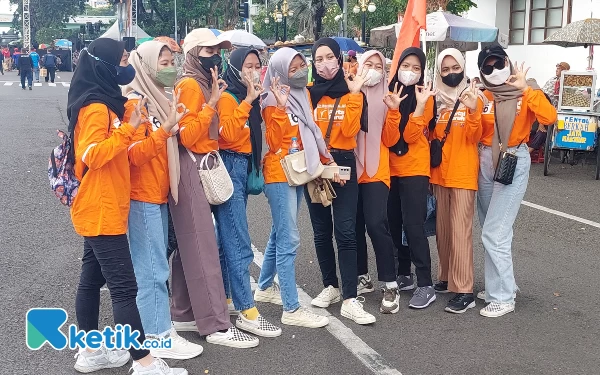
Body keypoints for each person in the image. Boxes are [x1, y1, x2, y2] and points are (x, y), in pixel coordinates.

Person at [67, 37, 186, 375]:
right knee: (124, 287)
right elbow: (92, 154)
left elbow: (130, 158)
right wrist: (128, 129)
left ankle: (90, 352)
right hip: (100, 206)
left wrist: (161, 132)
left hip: (105, 205)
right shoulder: (95, 107)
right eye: (119, 61)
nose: (124, 67)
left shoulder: (108, 105)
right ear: (102, 66)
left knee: (91, 280)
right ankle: (144, 362)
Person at [169, 28, 259, 348]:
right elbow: (188, 136)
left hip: (194, 165)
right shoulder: (192, 85)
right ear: (193, 55)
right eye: (208, 52)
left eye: (217, 51)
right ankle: (217, 325)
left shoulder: (200, 84)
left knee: (189, 247)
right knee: (204, 246)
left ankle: (184, 313)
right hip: (194, 165)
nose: (215, 57)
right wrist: (211, 104)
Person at [122, 40, 204, 360]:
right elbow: (134, 156)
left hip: (157, 195)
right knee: (152, 270)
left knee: (155, 268)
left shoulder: (159, 99)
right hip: (142, 195)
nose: (170, 68)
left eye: (172, 61)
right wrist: (164, 131)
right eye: (164, 62)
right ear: (146, 66)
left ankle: (158, 329)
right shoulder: (135, 104)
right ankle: (157, 335)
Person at [476, 44, 557, 317]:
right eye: (488, 66)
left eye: (499, 63)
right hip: (486, 160)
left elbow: (550, 117)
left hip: (513, 159)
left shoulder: (525, 93)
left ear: (507, 62)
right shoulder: (484, 95)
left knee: (494, 233)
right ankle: (495, 286)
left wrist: (525, 89)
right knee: (492, 228)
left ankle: (504, 296)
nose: (495, 70)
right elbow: (476, 131)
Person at [254, 47, 330, 329]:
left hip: (298, 169)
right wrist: (281, 108)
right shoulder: (271, 97)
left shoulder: (304, 93)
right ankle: (291, 307)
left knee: (279, 233)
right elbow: (275, 143)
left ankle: (263, 287)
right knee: (289, 239)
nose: (300, 70)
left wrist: (323, 160)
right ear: (280, 70)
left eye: (302, 64)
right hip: (278, 172)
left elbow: (309, 130)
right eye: (293, 66)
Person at [305, 37, 376, 325]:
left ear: (338, 58)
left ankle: (349, 298)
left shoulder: (351, 92)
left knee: (345, 231)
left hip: (342, 162)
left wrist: (355, 94)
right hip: (315, 165)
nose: (324, 63)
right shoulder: (308, 94)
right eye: (318, 59)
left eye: (329, 57)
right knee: (321, 230)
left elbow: (349, 131)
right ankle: (330, 287)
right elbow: (305, 132)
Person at [214, 47, 282, 337]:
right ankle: (246, 310)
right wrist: (248, 103)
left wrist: (269, 102)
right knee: (238, 240)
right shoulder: (230, 97)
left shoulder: (248, 96)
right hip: (230, 165)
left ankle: (226, 297)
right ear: (236, 66)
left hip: (241, 166)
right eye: (248, 65)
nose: (253, 70)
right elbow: (227, 134)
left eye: (257, 65)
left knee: (226, 238)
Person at [430, 48, 485, 314]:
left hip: (463, 174)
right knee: (443, 230)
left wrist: (474, 109)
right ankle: (446, 276)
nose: (452, 73)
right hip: (440, 174)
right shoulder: (435, 100)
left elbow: (476, 136)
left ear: (463, 67)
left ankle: (464, 289)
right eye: (446, 69)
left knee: (460, 231)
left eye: (455, 68)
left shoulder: (474, 98)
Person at [386, 47, 438, 309]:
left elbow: (410, 137)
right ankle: (403, 273)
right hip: (390, 169)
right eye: (406, 65)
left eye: (416, 68)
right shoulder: (389, 94)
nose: (410, 71)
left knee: (414, 226)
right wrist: (394, 110)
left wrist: (418, 106)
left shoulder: (426, 97)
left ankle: (426, 283)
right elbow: (389, 138)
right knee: (394, 223)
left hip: (416, 169)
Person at [353, 50, 405, 314]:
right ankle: (362, 276)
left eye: (377, 66)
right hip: (350, 169)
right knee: (353, 225)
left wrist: (394, 112)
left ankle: (390, 282)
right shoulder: (350, 90)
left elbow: (391, 140)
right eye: (368, 64)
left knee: (375, 223)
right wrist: (353, 95)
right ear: (359, 66)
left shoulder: (388, 95)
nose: (372, 69)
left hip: (376, 171)